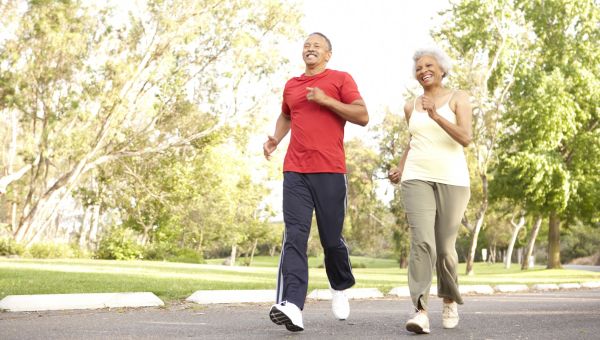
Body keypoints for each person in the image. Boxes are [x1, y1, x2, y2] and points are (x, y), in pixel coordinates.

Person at [263, 32, 369, 332]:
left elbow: (362, 115)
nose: (310, 49)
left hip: (330, 170)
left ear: (328, 54)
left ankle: (339, 285)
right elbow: (286, 115)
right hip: (295, 169)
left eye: (316, 46)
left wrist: (326, 100)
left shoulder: (340, 79)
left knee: (331, 238)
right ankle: (292, 305)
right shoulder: (292, 85)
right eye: (306, 45)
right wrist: (275, 139)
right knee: (294, 236)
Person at [388, 46, 472, 334]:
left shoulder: (458, 97)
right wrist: (400, 167)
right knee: (422, 243)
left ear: (442, 69)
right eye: (419, 67)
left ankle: (449, 299)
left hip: (453, 180)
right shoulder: (411, 105)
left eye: (429, 65)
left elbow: (466, 137)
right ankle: (421, 310)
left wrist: (436, 115)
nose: (423, 70)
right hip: (417, 177)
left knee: (446, 249)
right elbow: (413, 141)